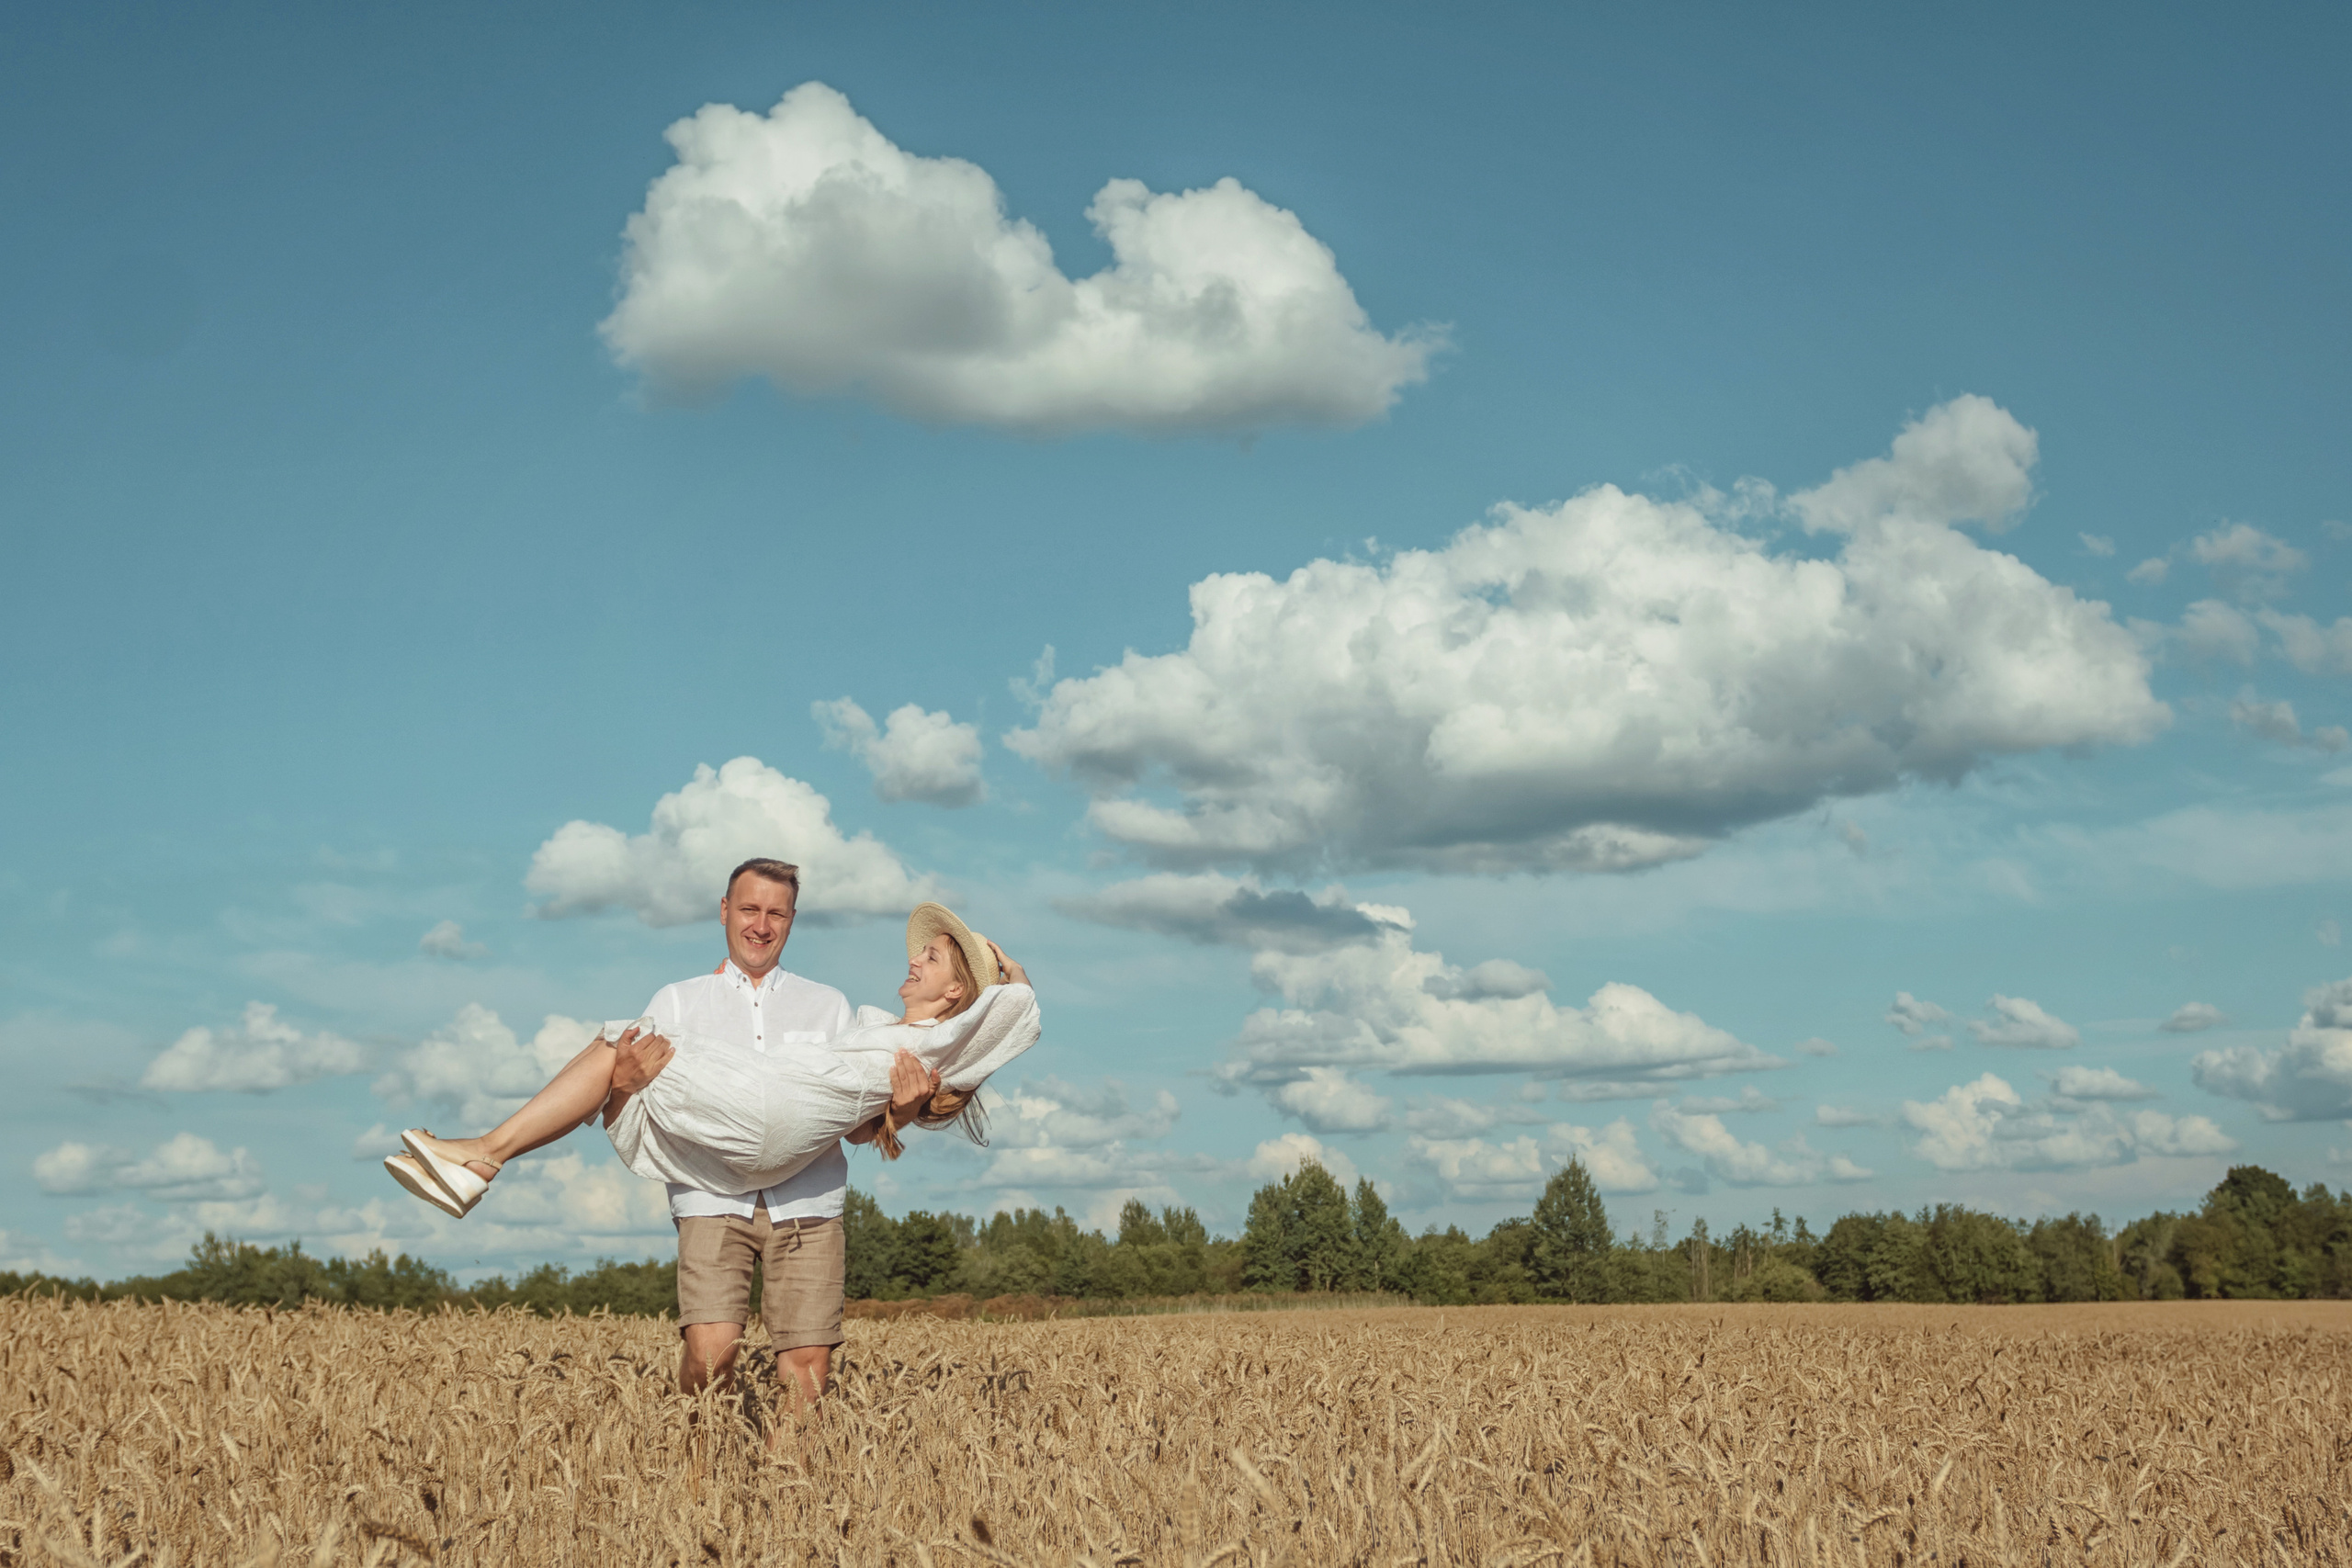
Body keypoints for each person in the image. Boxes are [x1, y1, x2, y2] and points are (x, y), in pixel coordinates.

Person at [382, 868, 1038, 1407]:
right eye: (749, 908)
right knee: (710, 1352)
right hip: (712, 1192)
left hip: (804, 1196)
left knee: (807, 1363)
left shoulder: (840, 1009)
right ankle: (706, 1477)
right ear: (724, 910)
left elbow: (997, 1031)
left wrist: (907, 1106)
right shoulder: (680, 998)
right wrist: (624, 1082)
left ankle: (483, 1156)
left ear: (791, 922)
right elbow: (634, 1095)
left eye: (776, 913)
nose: (761, 923)